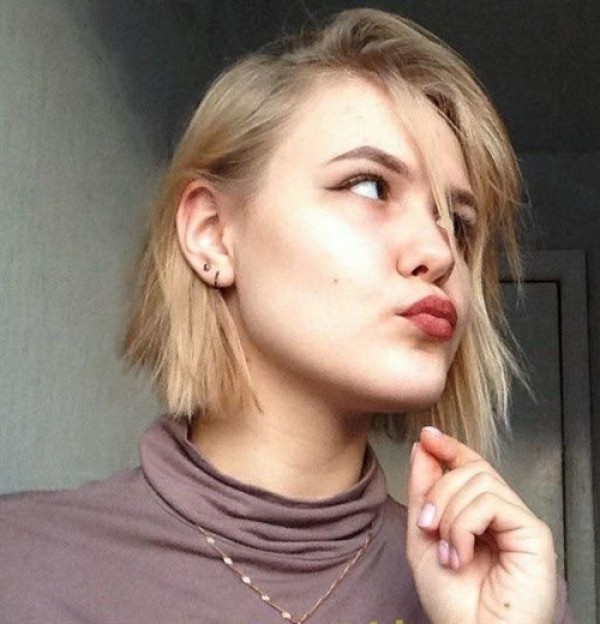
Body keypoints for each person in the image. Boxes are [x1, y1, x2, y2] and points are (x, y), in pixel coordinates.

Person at [0, 8, 573, 624]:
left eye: (457, 224)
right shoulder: (21, 567)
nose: (440, 253)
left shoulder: (508, 595)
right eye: (370, 186)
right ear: (212, 234)